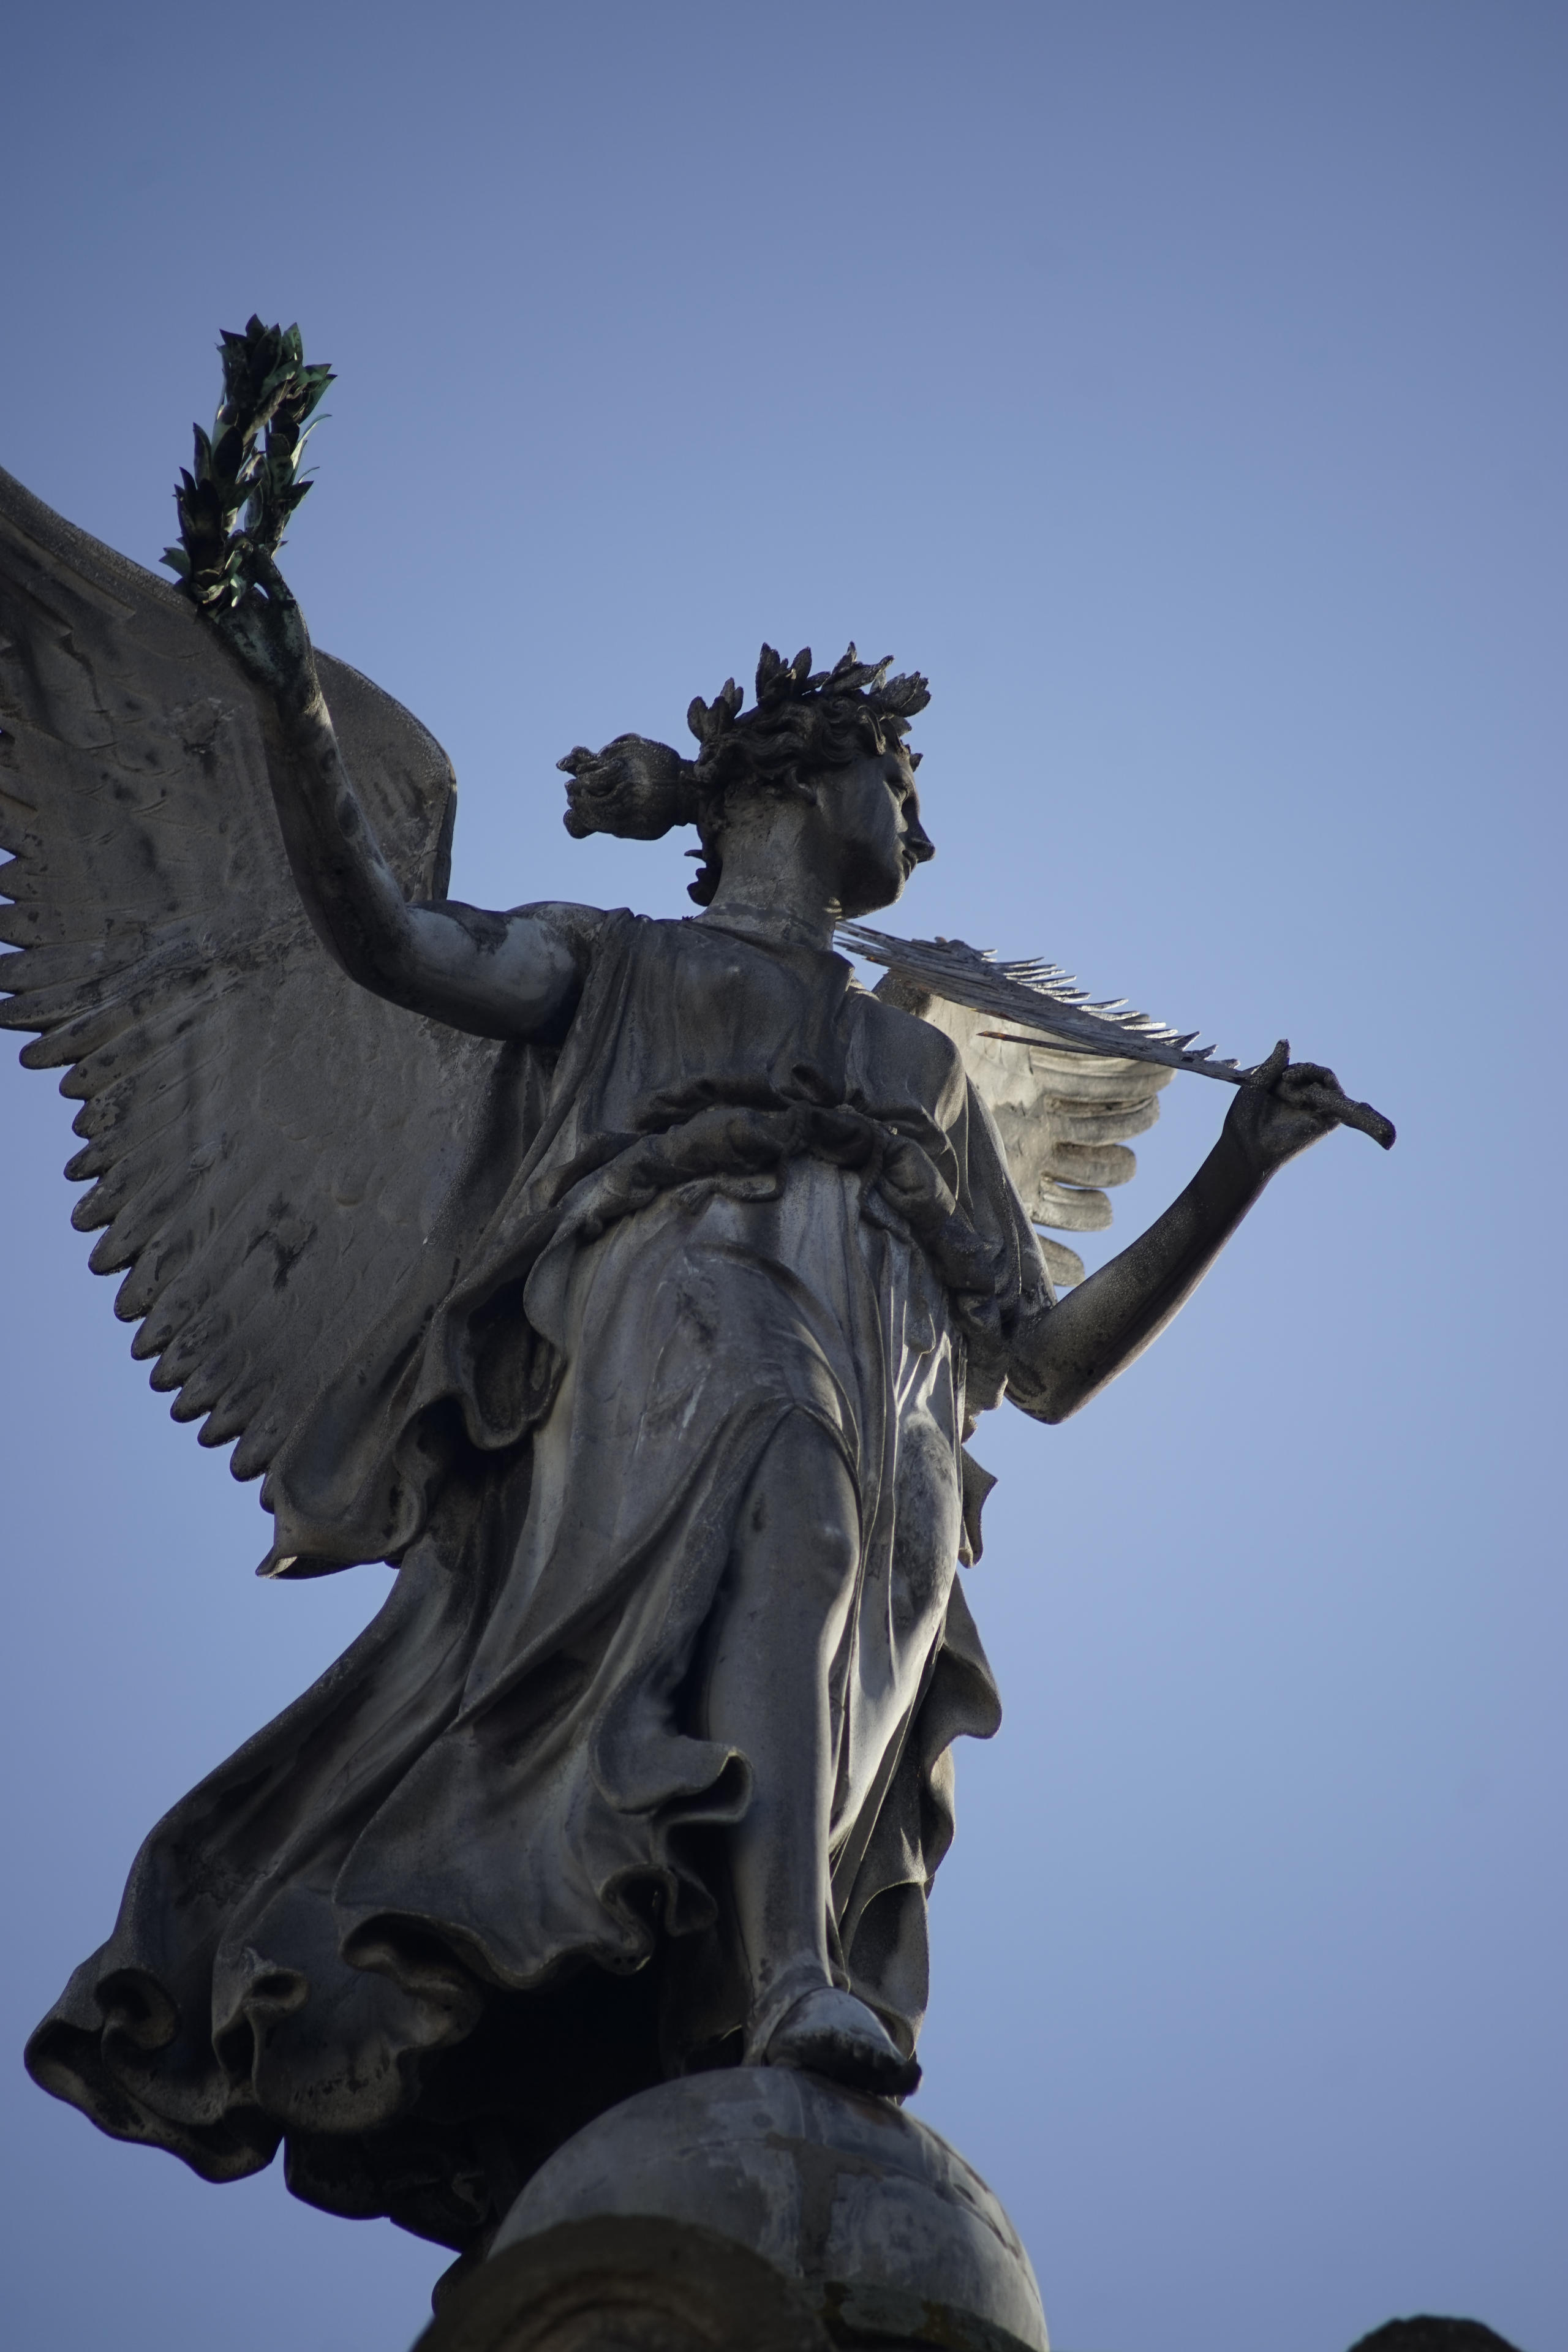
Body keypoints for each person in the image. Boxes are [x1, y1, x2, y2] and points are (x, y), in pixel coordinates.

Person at [28, 556, 1344, 2253]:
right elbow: (388, 940)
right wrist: (291, 710)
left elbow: (1045, 1364)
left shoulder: (927, 1068)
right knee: (787, 1485)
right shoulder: (617, 959)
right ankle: (790, 1971)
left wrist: (1239, 1170)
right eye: (902, 787)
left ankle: (750, 1969)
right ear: (795, 780)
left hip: (900, 1387)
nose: (922, 836)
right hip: (682, 1310)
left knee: (850, 1601)